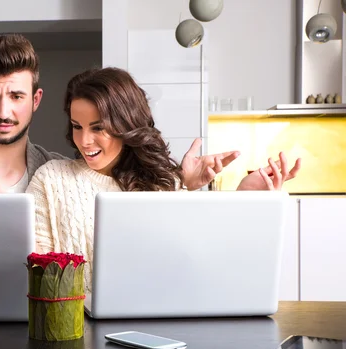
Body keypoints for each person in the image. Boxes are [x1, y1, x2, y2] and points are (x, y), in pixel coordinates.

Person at [23, 67, 302, 293]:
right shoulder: (51, 179)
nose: (84, 140)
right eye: (76, 126)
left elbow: (203, 268)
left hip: (158, 329)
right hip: (76, 334)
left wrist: (243, 200)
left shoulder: (163, 184)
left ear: (126, 125)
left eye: (99, 128)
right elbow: (38, 282)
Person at [0, 33, 239, 195]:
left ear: (36, 98)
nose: (3, 111)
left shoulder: (56, 171)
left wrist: (185, 185)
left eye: (16, 95)